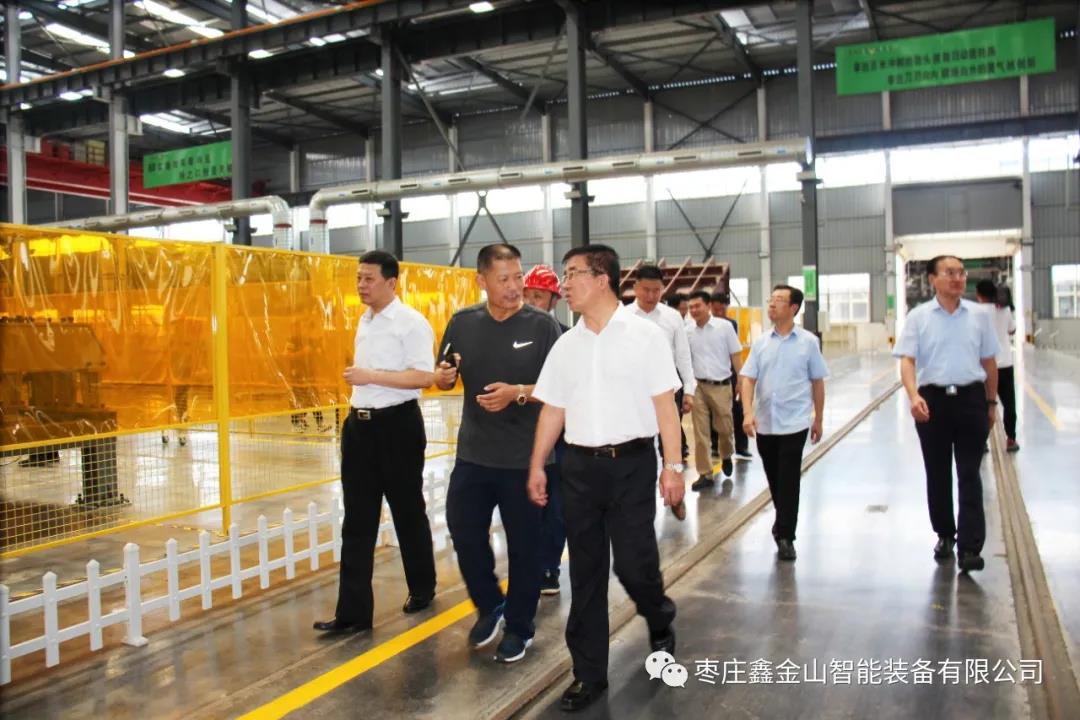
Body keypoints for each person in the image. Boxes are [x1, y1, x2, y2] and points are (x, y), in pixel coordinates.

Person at [528, 244, 684, 713]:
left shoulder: (645, 337)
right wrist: (537, 464)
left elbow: (665, 406)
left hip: (631, 465)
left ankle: (658, 615)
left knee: (634, 565)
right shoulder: (566, 345)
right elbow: (553, 409)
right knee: (586, 571)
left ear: (602, 279)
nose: (565, 284)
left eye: (573, 273)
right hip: (578, 468)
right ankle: (589, 673)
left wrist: (673, 467)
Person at [434, 244, 562, 663]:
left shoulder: (543, 326)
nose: (514, 286)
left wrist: (517, 394)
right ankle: (490, 604)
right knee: (463, 530)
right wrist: (445, 377)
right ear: (482, 281)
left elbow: (561, 388)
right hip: (474, 453)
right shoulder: (462, 323)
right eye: (503, 279)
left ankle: (520, 627)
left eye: (517, 277)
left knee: (526, 547)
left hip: (526, 458)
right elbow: (444, 377)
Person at [314, 250, 438, 635]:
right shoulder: (365, 321)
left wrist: (372, 376)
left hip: (397, 427)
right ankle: (353, 613)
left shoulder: (410, 323)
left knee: (407, 511)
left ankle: (422, 587)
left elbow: (424, 377)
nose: (361, 285)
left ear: (391, 282)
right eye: (358, 278)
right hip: (360, 429)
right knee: (357, 521)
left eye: (369, 279)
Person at [894, 256, 998, 573]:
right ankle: (945, 534)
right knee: (937, 472)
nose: (957, 278)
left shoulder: (979, 316)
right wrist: (914, 396)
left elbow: (989, 362)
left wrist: (991, 403)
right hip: (933, 402)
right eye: (949, 272)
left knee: (969, 473)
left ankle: (970, 547)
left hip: (970, 399)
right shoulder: (918, 317)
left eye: (961, 273)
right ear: (932, 279)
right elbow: (907, 360)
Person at [741, 285, 828, 562]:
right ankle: (783, 522)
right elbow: (748, 379)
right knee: (775, 479)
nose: (772, 304)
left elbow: (817, 381)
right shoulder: (760, 343)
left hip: (795, 422)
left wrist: (818, 418)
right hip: (766, 422)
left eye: (779, 300)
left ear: (793, 308)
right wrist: (747, 413)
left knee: (789, 480)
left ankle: (786, 536)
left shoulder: (808, 342)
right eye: (771, 299)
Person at [522, 264, 569, 596]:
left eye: (538, 296)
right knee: (526, 503)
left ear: (554, 300)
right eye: (527, 296)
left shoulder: (567, 338)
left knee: (556, 504)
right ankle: (528, 563)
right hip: (521, 433)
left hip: (561, 435)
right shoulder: (512, 336)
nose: (531, 303)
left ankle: (550, 565)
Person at [628, 265, 695, 474]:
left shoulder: (672, 317)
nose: (651, 296)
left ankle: (673, 481)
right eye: (646, 290)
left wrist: (689, 390)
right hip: (634, 389)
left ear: (663, 289)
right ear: (635, 288)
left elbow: (683, 355)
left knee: (670, 440)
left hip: (668, 388)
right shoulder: (623, 315)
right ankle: (643, 483)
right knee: (639, 442)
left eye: (656, 290)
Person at [686, 290, 743, 490]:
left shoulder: (724, 327)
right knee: (700, 432)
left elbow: (735, 353)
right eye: (691, 307)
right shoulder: (687, 331)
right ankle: (705, 473)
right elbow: (685, 360)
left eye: (697, 306)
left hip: (721, 385)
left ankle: (726, 454)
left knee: (725, 428)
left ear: (708, 306)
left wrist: (741, 380)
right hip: (698, 386)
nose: (694, 310)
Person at [976, 280, 1019, 453]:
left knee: (982, 404)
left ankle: (982, 442)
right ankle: (1011, 439)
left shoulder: (976, 313)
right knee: (1009, 404)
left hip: (984, 366)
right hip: (1005, 364)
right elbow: (1012, 330)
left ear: (978, 294)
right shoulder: (1004, 310)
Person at [711, 291, 752, 461]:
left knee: (737, 410)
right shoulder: (703, 325)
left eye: (722, 310)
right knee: (714, 411)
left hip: (730, 373)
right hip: (713, 374)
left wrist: (739, 379)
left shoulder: (731, 324)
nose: (719, 313)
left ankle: (742, 447)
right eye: (716, 310)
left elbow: (734, 352)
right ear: (710, 307)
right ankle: (715, 446)